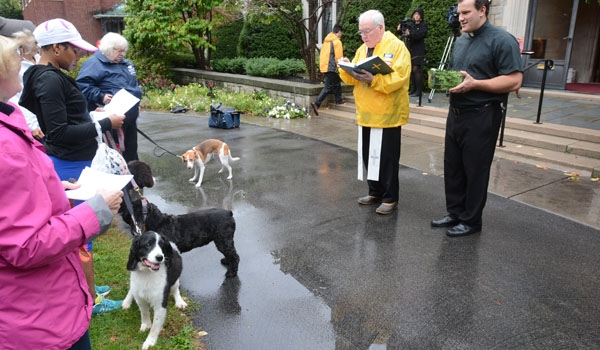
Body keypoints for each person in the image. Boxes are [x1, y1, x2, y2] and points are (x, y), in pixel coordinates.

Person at [0, 34, 124, 350]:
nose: (22, 65)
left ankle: (90, 292)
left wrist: (59, 191)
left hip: (41, 304)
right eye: (16, 59)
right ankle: (93, 295)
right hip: (38, 321)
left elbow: (20, 201)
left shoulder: (9, 124)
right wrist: (94, 211)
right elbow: (24, 245)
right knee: (85, 248)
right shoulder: (5, 147)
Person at [430, 0, 523, 237]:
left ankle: (471, 221)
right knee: (453, 167)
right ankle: (455, 213)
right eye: (459, 12)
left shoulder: (502, 39)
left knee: (475, 170)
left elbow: (514, 80)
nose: (460, 17)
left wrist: (476, 84)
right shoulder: (461, 40)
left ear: (482, 10)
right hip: (456, 113)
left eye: (465, 12)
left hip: (482, 114)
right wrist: (443, 81)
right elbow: (459, 76)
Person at [338, 10, 411, 215]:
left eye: (367, 31)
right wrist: (345, 68)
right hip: (366, 113)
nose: (364, 36)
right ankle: (374, 192)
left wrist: (375, 80)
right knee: (368, 156)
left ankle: (390, 197)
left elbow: (400, 78)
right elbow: (354, 79)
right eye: (361, 32)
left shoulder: (397, 47)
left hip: (387, 115)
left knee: (386, 159)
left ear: (381, 27)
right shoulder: (362, 49)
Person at [77, 32, 143, 162]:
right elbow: (82, 86)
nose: (122, 54)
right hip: (110, 118)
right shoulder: (93, 64)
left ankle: (134, 178)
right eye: (119, 51)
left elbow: (133, 85)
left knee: (131, 150)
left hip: (130, 116)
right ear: (108, 48)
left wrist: (136, 103)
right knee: (114, 153)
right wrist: (100, 96)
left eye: (124, 51)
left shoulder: (126, 64)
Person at [8, 30, 45, 140]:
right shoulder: (17, 67)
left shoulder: (40, 59)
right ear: (23, 48)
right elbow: (17, 98)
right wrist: (32, 125)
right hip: (34, 124)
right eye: (34, 43)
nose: (38, 46)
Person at [311, 24, 345, 116]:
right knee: (328, 87)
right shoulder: (337, 42)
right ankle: (317, 103)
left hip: (325, 66)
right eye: (341, 33)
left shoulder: (326, 41)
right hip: (331, 67)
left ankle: (338, 100)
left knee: (336, 82)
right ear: (339, 32)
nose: (341, 35)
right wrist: (340, 66)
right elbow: (339, 56)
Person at [399, 8, 428, 97]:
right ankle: (413, 89)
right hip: (410, 49)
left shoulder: (424, 25)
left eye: (418, 14)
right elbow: (404, 33)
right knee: (411, 70)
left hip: (419, 49)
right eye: (415, 14)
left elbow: (420, 35)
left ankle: (419, 91)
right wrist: (400, 29)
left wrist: (410, 34)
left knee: (416, 69)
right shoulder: (411, 25)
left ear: (421, 16)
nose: (416, 16)